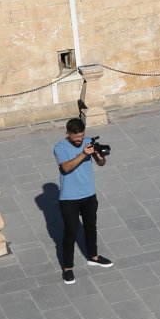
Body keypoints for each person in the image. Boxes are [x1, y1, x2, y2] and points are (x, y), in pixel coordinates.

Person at [54, 117, 112, 285]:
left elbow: (101, 163)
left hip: (89, 194)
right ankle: (67, 268)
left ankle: (93, 256)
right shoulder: (60, 147)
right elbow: (66, 168)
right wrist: (83, 154)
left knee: (90, 226)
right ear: (68, 134)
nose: (80, 139)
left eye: (82, 135)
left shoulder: (88, 142)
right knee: (70, 232)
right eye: (76, 137)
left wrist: (99, 156)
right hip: (69, 198)